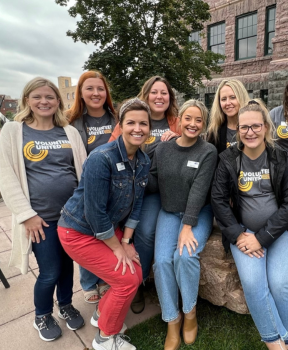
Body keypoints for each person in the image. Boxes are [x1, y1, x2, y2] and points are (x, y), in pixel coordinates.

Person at [0, 77, 88, 341]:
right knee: (50, 271)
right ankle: (42, 314)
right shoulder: (14, 132)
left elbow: (81, 171)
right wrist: (27, 216)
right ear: (27, 100)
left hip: (71, 219)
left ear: (58, 101)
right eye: (37, 97)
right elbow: (7, 176)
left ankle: (66, 305)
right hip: (40, 220)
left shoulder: (69, 132)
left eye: (49, 97)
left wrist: (84, 210)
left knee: (68, 266)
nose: (44, 101)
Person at [58, 98, 151, 350]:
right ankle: (105, 338)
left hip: (109, 230)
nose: (138, 128)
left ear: (149, 128)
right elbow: (95, 213)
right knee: (127, 280)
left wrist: (126, 241)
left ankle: (102, 314)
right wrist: (117, 248)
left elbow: (137, 205)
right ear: (120, 125)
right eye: (131, 122)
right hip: (79, 231)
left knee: (136, 272)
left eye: (144, 123)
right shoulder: (102, 157)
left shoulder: (143, 161)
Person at [211, 100, 288, 350]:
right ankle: (279, 344)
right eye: (244, 127)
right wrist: (238, 234)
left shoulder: (281, 157)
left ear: (265, 127)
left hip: (280, 231)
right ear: (237, 130)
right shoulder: (228, 159)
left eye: (255, 126)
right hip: (243, 232)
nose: (250, 132)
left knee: (281, 284)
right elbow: (218, 200)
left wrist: (262, 238)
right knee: (253, 284)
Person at [148, 100, 217, 350]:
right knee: (163, 262)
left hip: (198, 213)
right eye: (188, 118)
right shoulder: (163, 149)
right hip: (168, 212)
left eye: (199, 120)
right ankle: (172, 319)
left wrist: (187, 225)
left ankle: (190, 312)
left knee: (184, 256)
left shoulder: (207, 151)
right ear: (179, 119)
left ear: (204, 123)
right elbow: (153, 181)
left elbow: (199, 190)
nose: (193, 124)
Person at [109, 76, 181, 313]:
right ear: (146, 95)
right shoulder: (134, 119)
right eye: (154, 92)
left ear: (170, 98)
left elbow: (192, 145)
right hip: (140, 189)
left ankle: (152, 280)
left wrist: (178, 138)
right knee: (143, 230)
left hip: (168, 190)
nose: (159, 97)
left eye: (164, 93)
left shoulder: (176, 122)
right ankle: (137, 281)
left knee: (158, 234)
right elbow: (114, 150)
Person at [66, 70, 118, 304]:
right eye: (90, 88)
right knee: (87, 234)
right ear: (81, 93)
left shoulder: (116, 118)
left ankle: (105, 278)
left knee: (108, 232)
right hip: (86, 186)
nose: (96, 93)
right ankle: (88, 282)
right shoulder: (71, 122)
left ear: (106, 93)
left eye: (100, 89)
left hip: (115, 186)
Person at [206, 79, 251, 154]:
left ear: (241, 98)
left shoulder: (255, 128)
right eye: (223, 99)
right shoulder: (214, 133)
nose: (228, 103)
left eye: (233, 97)